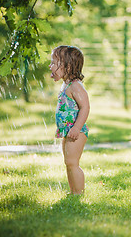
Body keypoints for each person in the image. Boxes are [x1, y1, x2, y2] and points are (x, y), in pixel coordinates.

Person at [49, 45, 90, 195]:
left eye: (54, 63)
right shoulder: (66, 84)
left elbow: (85, 108)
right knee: (68, 163)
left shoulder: (76, 86)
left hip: (76, 132)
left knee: (73, 163)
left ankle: (78, 193)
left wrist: (76, 128)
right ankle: (73, 191)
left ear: (67, 66)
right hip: (68, 130)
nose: (50, 66)